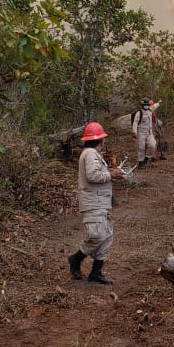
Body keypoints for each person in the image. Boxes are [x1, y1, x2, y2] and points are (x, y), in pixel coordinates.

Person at [67, 122, 123, 285]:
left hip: (101, 202)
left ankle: (96, 272)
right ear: (100, 140)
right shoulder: (90, 154)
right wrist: (111, 174)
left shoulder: (91, 153)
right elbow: (93, 176)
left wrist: (110, 173)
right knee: (97, 236)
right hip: (93, 202)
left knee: (106, 237)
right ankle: (76, 259)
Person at [131, 98, 161, 168]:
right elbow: (135, 123)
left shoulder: (150, 110)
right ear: (142, 105)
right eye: (145, 105)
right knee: (141, 147)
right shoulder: (139, 113)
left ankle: (146, 159)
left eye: (147, 105)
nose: (146, 106)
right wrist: (134, 132)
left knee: (152, 145)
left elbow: (155, 106)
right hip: (141, 133)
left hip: (149, 132)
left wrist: (159, 102)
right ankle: (141, 162)